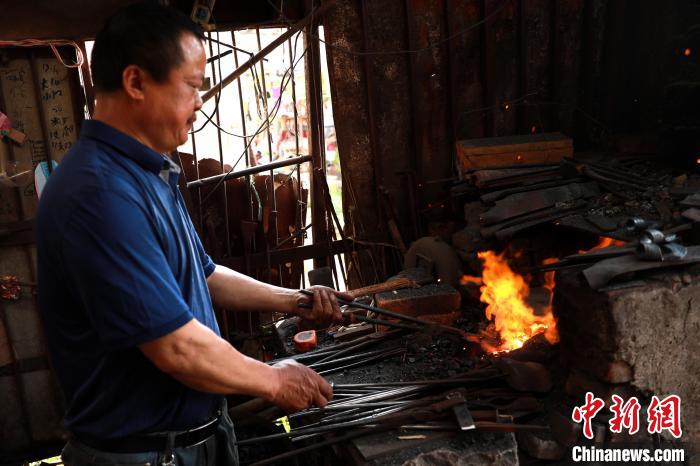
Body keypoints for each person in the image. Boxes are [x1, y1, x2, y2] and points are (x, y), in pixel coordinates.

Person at [35, 2, 351, 465]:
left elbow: (202, 274)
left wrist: (294, 300)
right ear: (136, 82)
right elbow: (175, 346)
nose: (201, 103)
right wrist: (273, 380)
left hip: (193, 440)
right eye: (192, 87)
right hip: (144, 455)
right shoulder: (99, 194)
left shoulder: (149, 171)